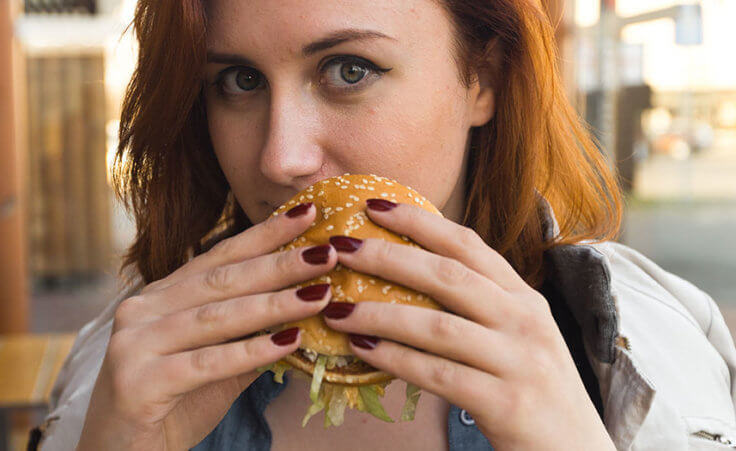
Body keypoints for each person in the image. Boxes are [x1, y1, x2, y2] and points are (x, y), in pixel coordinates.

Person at [28, 0, 736, 450]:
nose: (280, 157)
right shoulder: (120, 369)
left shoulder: (652, 346)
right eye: (239, 82)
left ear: (481, 79)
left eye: (349, 68)